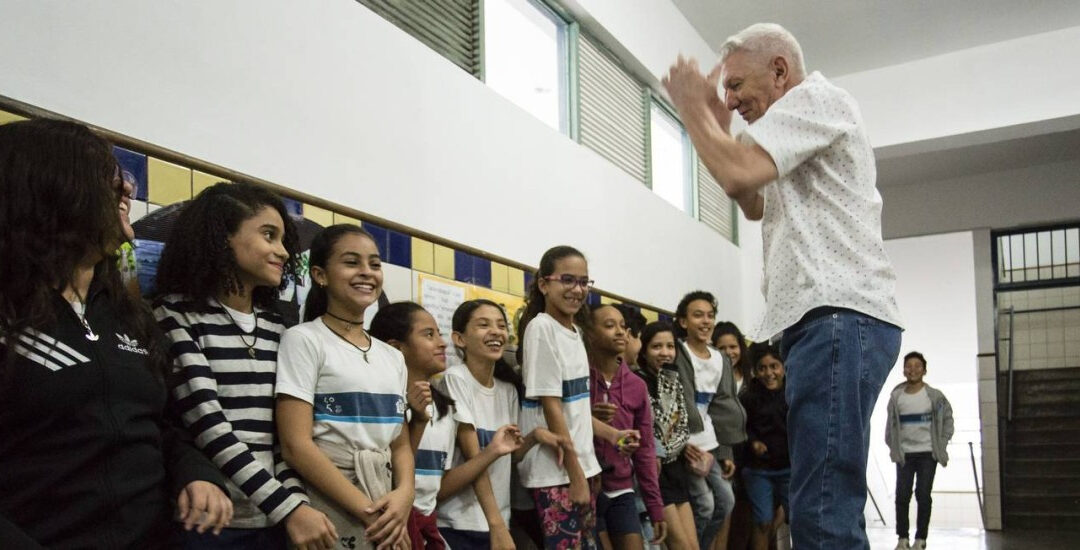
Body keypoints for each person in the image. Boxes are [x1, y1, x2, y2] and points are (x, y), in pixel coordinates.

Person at [663, 22, 904, 549]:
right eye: (725, 91)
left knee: (819, 504)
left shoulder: (817, 100)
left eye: (738, 86)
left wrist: (693, 109)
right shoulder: (789, 136)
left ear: (779, 71)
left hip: (839, 315)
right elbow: (752, 203)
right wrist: (717, 122)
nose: (731, 99)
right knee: (820, 495)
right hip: (826, 320)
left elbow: (735, 176)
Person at [0, 119, 231, 547]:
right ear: (46, 189)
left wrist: (195, 472)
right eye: (107, 181)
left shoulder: (127, 316)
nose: (127, 192)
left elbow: (157, 424)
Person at [154, 182, 336, 549]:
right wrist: (290, 509)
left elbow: (285, 437)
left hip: (273, 520)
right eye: (269, 236)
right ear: (222, 238)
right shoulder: (174, 315)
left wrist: (294, 504)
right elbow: (209, 426)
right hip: (207, 522)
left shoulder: (278, 328)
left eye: (284, 240)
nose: (283, 252)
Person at [274, 224, 414, 550]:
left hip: (387, 500)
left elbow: (401, 443)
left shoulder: (393, 356)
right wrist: (371, 513)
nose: (366, 273)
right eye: (352, 262)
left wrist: (404, 495)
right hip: (330, 500)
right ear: (320, 275)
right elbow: (295, 445)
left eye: (375, 264)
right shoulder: (303, 339)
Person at [516, 245, 634, 549]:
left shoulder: (576, 333)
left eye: (583, 282)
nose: (577, 289)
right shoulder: (541, 328)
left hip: (582, 466)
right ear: (544, 284)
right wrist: (575, 473)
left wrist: (612, 434)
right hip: (557, 474)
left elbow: (575, 408)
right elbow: (551, 407)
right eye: (567, 280)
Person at [585, 304, 667, 549]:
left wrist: (655, 506)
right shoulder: (578, 377)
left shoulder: (636, 385)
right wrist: (588, 417)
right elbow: (564, 422)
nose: (621, 332)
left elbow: (645, 450)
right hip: (587, 487)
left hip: (621, 488)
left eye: (624, 327)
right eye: (610, 326)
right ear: (589, 333)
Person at [672, 291, 743, 549]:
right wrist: (679, 445)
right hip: (685, 446)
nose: (705, 321)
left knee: (726, 501)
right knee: (704, 505)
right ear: (683, 322)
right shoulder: (677, 353)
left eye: (710, 316)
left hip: (710, 443)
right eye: (697, 315)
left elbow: (722, 409)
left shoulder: (720, 359)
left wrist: (726, 452)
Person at [635, 321, 697, 550]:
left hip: (675, 469)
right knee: (680, 545)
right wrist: (666, 448)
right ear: (644, 350)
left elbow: (681, 426)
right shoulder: (638, 381)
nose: (665, 353)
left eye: (670, 346)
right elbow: (655, 428)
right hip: (655, 473)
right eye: (657, 347)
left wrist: (668, 449)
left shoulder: (673, 378)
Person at [885, 352, 954, 550]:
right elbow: (890, 426)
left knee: (923, 495)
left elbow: (948, 420)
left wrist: (941, 443)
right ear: (903, 370)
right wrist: (893, 447)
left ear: (924, 370)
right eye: (909, 365)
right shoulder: (896, 396)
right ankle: (902, 539)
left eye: (917, 366)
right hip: (904, 455)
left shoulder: (934, 396)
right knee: (902, 496)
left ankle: (921, 539)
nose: (912, 369)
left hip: (927, 453)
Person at [739, 343, 790, 550]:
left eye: (774, 366)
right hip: (758, 470)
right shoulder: (748, 397)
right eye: (762, 368)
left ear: (783, 367)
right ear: (755, 370)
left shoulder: (793, 393)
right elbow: (742, 427)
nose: (769, 373)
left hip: (789, 468)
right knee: (762, 522)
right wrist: (753, 442)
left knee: (798, 519)